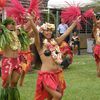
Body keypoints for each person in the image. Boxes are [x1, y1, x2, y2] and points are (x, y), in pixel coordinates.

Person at [27, 14, 81, 100]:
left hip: (57, 73)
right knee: (57, 96)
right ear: (43, 32)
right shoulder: (40, 44)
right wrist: (31, 21)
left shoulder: (55, 41)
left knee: (55, 96)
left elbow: (66, 33)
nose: (49, 32)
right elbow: (36, 33)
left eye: (50, 30)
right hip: (46, 75)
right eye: (46, 30)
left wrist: (75, 23)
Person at [0, 18, 21, 100]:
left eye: (13, 23)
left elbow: (26, 28)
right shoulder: (3, 34)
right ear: (5, 25)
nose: (12, 25)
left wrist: (31, 19)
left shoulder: (16, 33)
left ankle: (13, 98)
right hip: (7, 61)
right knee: (6, 83)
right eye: (10, 24)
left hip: (16, 61)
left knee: (14, 83)